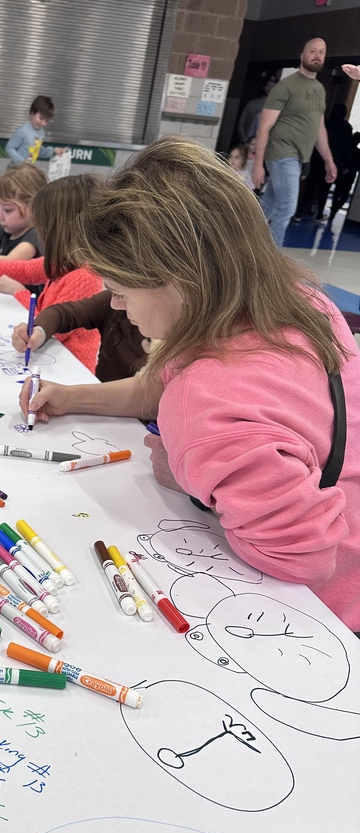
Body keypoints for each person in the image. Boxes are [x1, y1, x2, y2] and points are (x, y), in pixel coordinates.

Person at [19, 136, 359, 633]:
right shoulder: (290, 301)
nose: (115, 306)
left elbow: (303, 557)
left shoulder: (208, 401)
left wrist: (199, 488)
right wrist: (72, 396)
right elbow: (163, 384)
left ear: (179, 280)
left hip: (327, 613)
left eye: (119, 290)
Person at [0, 176, 103, 373]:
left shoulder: (84, 277)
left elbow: (50, 329)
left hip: (68, 372)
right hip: (47, 361)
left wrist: (19, 292)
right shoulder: (61, 261)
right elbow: (26, 269)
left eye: (41, 226)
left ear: (56, 228)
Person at [252, 38, 337, 247]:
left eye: (321, 52)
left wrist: (329, 160)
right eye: (313, 51)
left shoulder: (319, 89)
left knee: (268, 209)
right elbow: (264, 127)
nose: (317, 55)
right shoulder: (285, 87)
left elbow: (319, 129)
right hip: (282, 153)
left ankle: (240, 244)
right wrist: (257, 165)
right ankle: (274, 264)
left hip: (298, 157)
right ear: (302, 55)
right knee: (287, 209)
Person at [11, 291, 149, 383]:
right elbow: (64, 313)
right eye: (115, 293)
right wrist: (39, 332)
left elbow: (140, 395)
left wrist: (69, 397)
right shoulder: (112, 305)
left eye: (121, 294)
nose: (114, 303)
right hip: (98, 408)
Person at [6, 95, 66, 167]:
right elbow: (9, 148)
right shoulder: (23, 131)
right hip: (14, 171)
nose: (43, 123)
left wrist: (54, 151)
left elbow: (37, 151)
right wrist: (22, 162)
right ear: (32, 112)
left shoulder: (41, 132)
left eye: (46, 121)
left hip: (27, 171)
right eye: (41, 118)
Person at [236, 72, 277, 146]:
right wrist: (244, 140)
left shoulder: (277, 107)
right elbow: (241, 123)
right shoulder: (252, 103)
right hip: (247, 143)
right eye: (268, 85)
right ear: (264, 86)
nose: (270, 88)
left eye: (273, 86)